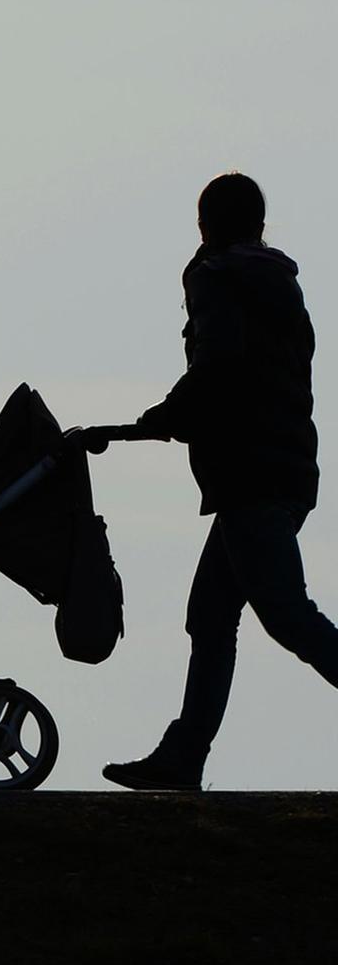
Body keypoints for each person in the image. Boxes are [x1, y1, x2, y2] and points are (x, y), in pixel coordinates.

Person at [100, 172, 332, 791]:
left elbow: (220, 362)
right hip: (286, 466)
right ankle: (183, 756)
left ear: (205, 224)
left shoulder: (215, 276)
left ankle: (184, 756)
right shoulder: (279, 281)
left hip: (248, 472)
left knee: (285, 615)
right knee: (210, 617)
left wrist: (165, 418)